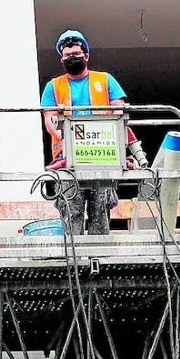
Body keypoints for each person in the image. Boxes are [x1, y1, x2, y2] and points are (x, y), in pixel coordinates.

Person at [40, 29, 127, 235]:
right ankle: (75, 262)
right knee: (72, 212)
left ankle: (99, 258)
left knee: (100, 214)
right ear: (62, 58)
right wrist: (67, 138)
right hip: (67, 160)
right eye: (68, 56)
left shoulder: (106, 80)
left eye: (76, 54)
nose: (72, 58)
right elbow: (50, 119)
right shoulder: (53, 86)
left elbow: (119, 110)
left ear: (86, 56)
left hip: (103, 158)